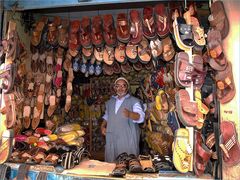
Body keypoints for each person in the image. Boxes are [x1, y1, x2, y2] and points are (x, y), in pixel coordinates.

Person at [101, 77, 145, 162]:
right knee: (111, 163)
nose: (120, 88)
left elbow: (141, 117)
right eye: (118, 86)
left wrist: (130, 114)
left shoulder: (134, 101)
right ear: (115, 88)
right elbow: (107, 116)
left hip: (127, 137)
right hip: (112, 136)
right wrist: (102, 126)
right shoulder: (110, 102)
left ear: (127, 88)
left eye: (123, 86)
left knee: (127, 162)